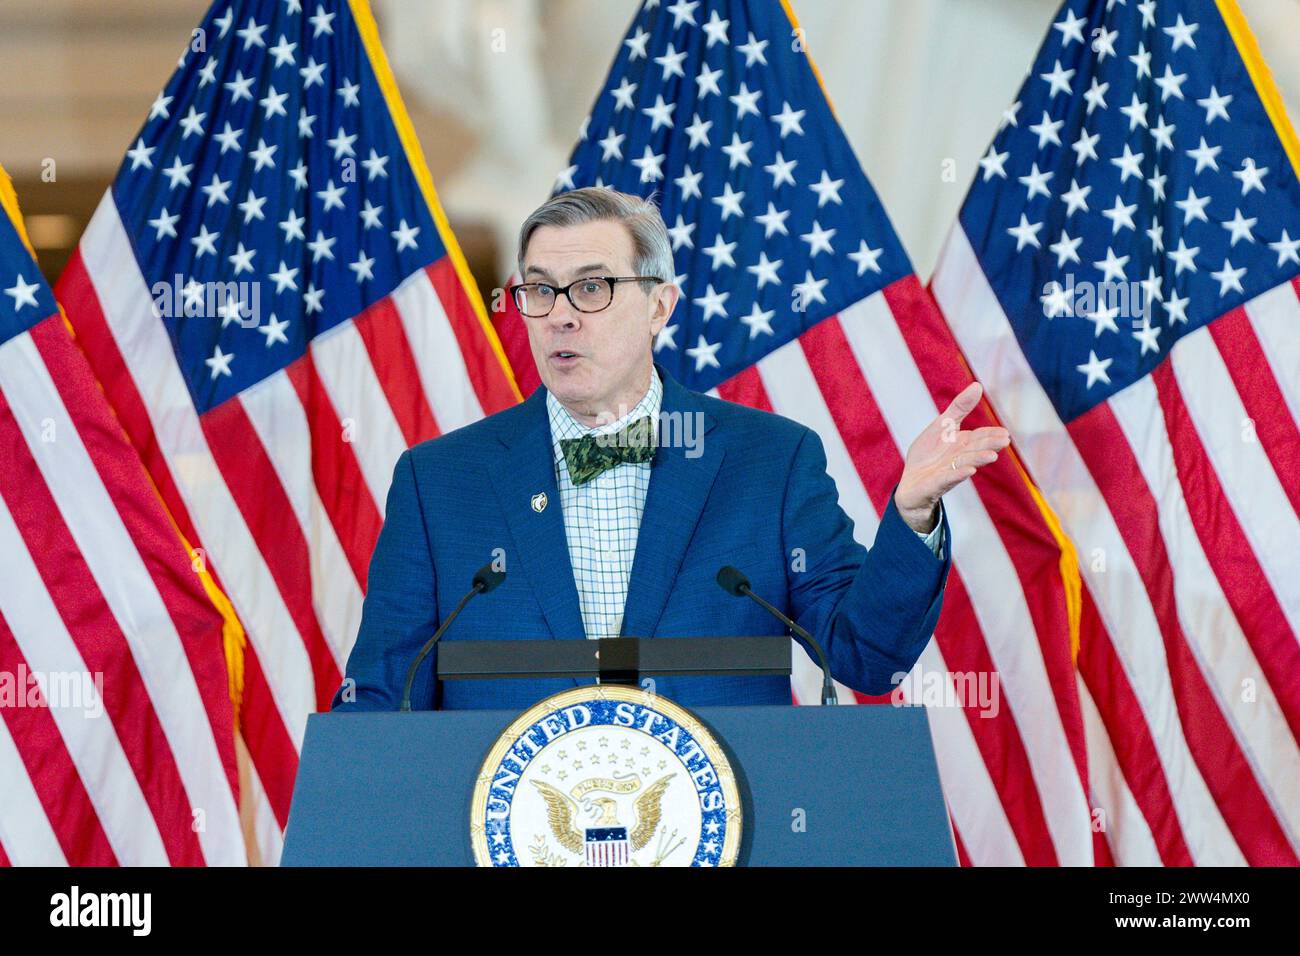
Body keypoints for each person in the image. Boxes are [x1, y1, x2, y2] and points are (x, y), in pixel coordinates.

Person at [332, 187, 1009, 711]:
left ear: (660, 306)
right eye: (540, 290)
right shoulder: (441, 481)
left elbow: (864, 655)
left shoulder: (768, 464)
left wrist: (913, 515)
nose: (561, 314)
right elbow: (384, 691)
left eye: (592, 288)